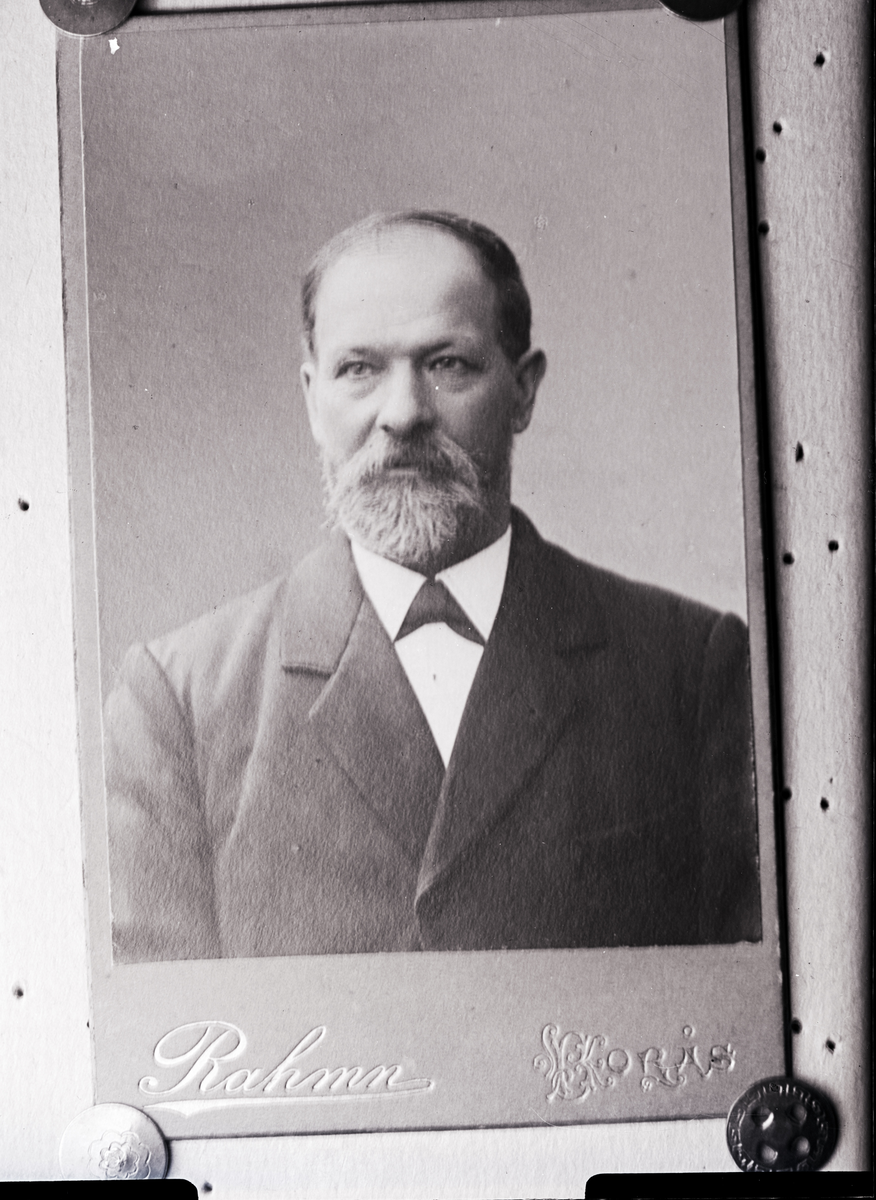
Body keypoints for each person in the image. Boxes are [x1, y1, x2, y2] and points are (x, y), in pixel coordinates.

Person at [105, 210, 761, 964]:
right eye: (360, 369)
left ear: (523, 390)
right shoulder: (179, 701)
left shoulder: (689, 669)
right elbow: (161, 1021)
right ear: (313, 400)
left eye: (448, 364)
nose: (404, 413)